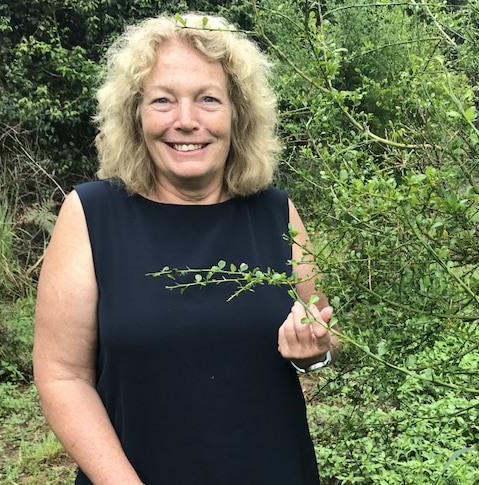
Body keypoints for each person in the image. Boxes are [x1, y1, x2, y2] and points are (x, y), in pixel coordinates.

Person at [32, 13, 338, 485]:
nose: (186, 121)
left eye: (208, 99)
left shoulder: (277, 213)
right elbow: (62, 375)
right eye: (163, 101)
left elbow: (318, 337)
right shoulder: (90, 214)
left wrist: (312, 351)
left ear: (238, 114)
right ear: (135, 114)